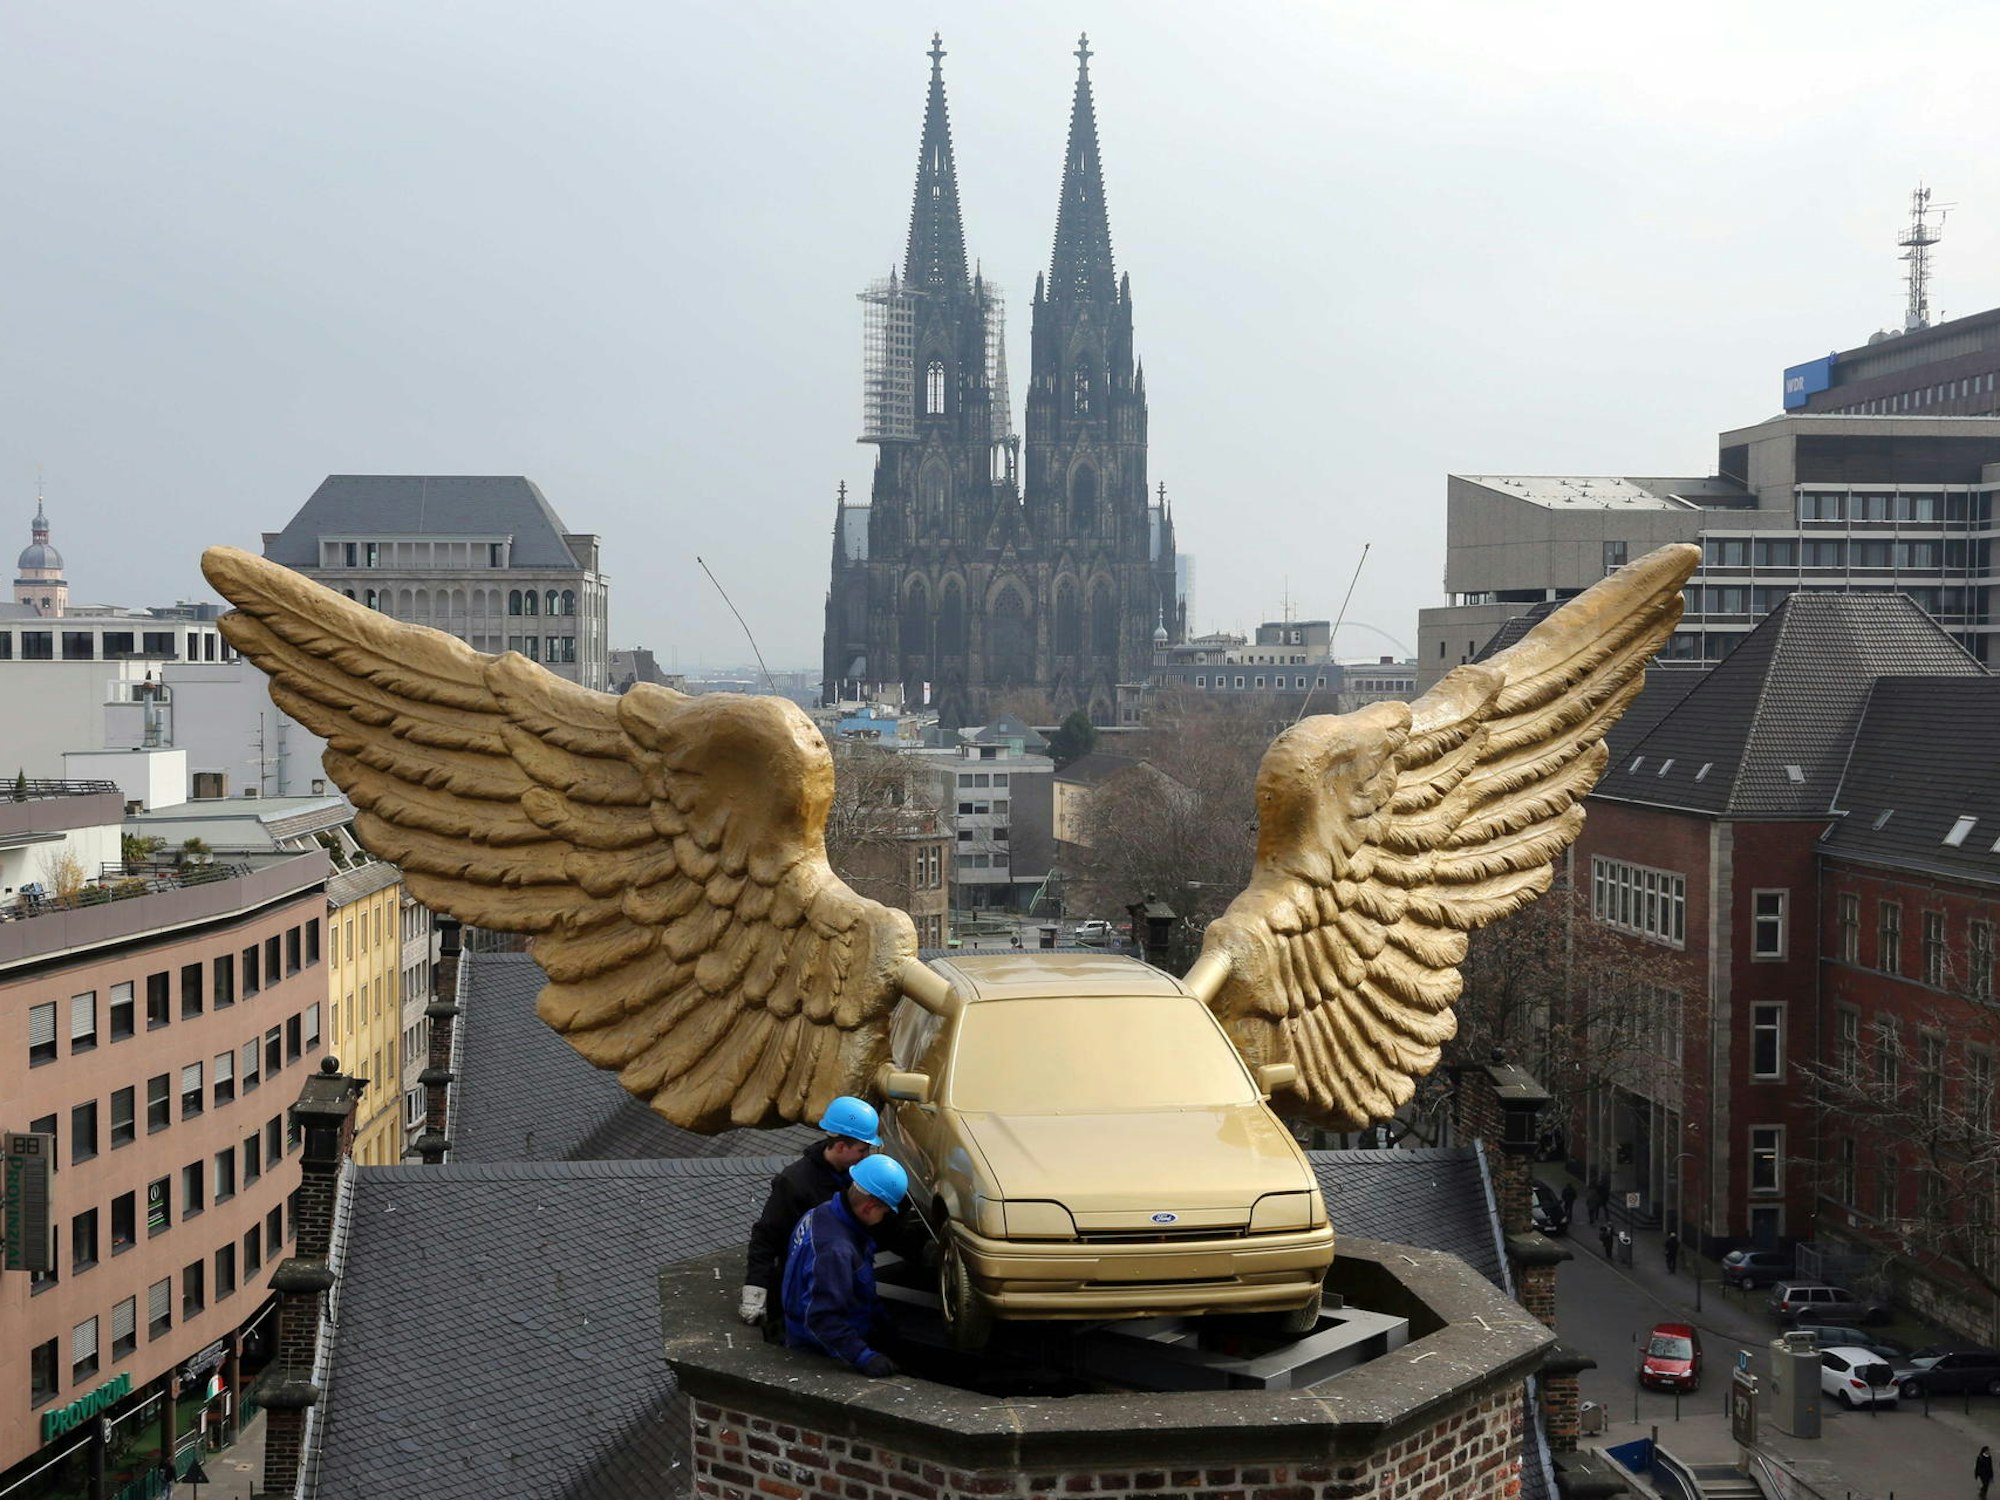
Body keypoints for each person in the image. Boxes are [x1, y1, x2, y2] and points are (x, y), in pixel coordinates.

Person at [739, 1096, 881, 1328]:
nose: (866, 1157)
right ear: (841, 1146)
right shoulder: (795, 1183)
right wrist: (755, 1291)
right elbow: (766, 1237)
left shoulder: (857, 1178)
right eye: (862, 1150)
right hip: (804, 1288)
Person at [782, 1154, 909, 1377]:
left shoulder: (823, 1213)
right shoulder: (835, 1249)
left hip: (834, 1339)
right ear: (869, 1206)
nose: (885, 1218)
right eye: (885, 1211)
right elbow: (821, 1318)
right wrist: (863, 1356)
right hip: (822, 1352)